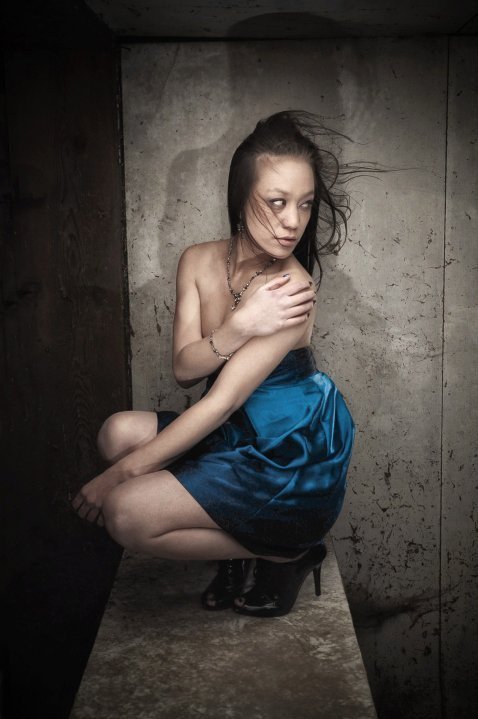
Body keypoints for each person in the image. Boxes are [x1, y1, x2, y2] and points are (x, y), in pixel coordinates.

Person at [72, 111, 355, 618]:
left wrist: (119, 476)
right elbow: (185, 370)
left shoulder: (293, 291)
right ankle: (235, 542)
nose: (294, 221)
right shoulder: (198, 260)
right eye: (276, 202)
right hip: (234, 434)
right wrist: (241, 325)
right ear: (239, 197)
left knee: (123, 513)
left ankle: (282, 552)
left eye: (306, 204)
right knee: (116, 432)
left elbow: (221, 402)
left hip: (286, 454)